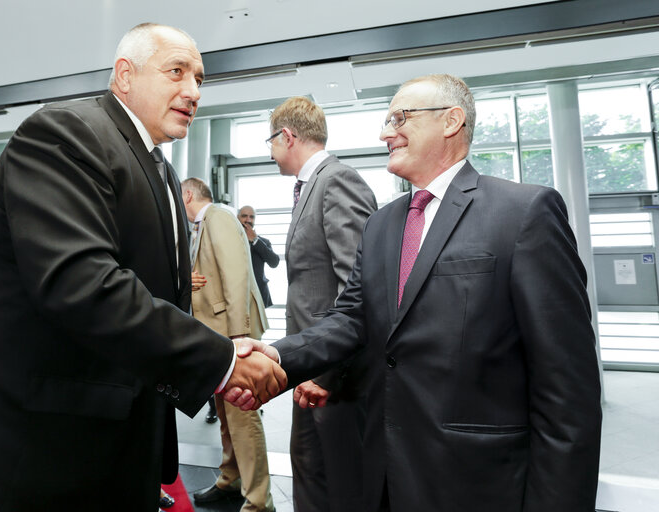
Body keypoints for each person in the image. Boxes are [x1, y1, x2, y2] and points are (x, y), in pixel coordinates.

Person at [0, 23, 285, 512]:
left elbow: (154, 294)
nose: (192, 91)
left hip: (103, 446)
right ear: (124, 75)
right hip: (23, 448)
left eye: (199, 79)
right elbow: (80, 283)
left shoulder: (164, 172)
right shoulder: (65, 133)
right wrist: (221, 361)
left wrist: (220, 347)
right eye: (176, 71)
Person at [233, 74, 602, 511]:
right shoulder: (383, 224)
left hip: (478, 482)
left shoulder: (524, 213)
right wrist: (277, 356)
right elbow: (351, 318)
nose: (385, 132)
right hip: (385, 471)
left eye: (400, 117)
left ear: (451, 121)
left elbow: (568, 390)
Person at [267, 96, 377, 512]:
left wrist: (328, 374)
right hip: (311, 367)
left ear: (287, 136)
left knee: (343, 482)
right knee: (310, 469)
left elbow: (359, 284)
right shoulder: (311, 185)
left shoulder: (337, 180)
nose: (272, 152)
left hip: (335, 376)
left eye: (271, 141)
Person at [182, 178, 275, 512]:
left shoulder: (218, 217)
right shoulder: (200, 225)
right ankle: (230, 480)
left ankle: (259, 500)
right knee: (225, 413)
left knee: (242, 416)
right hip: (215, 334)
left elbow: (235, 275)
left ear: (188, 194)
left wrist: (240, 337)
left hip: (231, 335)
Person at [238, 205, 279, 308]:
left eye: (252, 217)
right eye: (244, 216)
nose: (248, 220)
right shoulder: (229, 240)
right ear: (237, 218)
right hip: (237, 295)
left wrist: (255, 240)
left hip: (259, 295)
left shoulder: (263, 242)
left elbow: (274, 262)